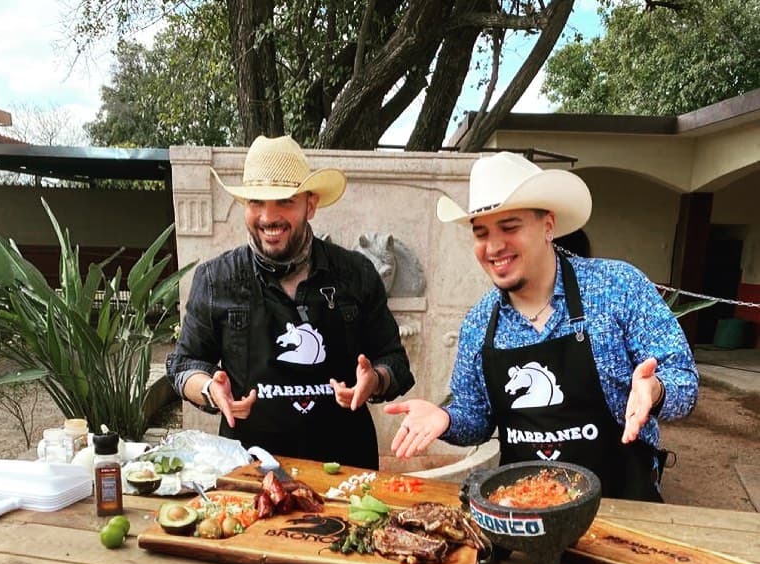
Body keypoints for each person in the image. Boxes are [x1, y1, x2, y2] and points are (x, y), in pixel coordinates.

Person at [385, 151, 698, 501]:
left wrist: (654, 390)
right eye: (481, 233)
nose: (494, 246)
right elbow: (475, 418)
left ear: (548, 226)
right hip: (523, 510)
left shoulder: (617, 287)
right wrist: (445, 418)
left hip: (624, 504)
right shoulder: (480, 322)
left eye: (509, 227)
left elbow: (684, 382)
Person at [167, 135, 414, 470]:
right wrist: (211, 389)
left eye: (284, 201)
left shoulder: (356, 273)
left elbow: (394, 361)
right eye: (256, 202)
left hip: (346, 468)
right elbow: (184, 365)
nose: (269, 217)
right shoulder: (216, 279)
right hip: (250, 468)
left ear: (309, 205)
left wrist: (375, 381)